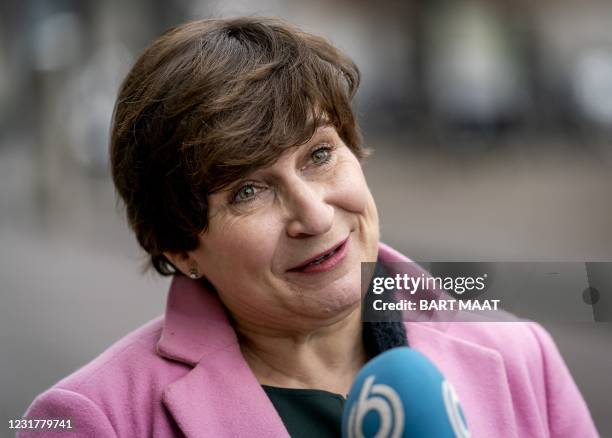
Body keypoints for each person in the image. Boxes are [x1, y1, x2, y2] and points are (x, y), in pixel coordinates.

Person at [20, 17, 597, 437]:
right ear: (179, 244)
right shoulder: (88, 419)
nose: (315, 215)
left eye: (320, 155)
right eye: (248, 190)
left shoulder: (523, 356)